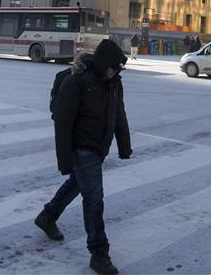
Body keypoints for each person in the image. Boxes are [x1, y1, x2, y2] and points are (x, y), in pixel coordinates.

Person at [35, 39, 131, 275]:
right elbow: (63, 123)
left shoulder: (114, 83)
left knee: (79, 184)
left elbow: (119, 114)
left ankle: (47, 216)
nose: (115, 72)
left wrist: (124, 145)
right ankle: (99, 254)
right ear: (102, 64)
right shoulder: (76, 82)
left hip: (98, 147)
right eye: (113, 67)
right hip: (82, 148)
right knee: (94, 199)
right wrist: (65, 161)